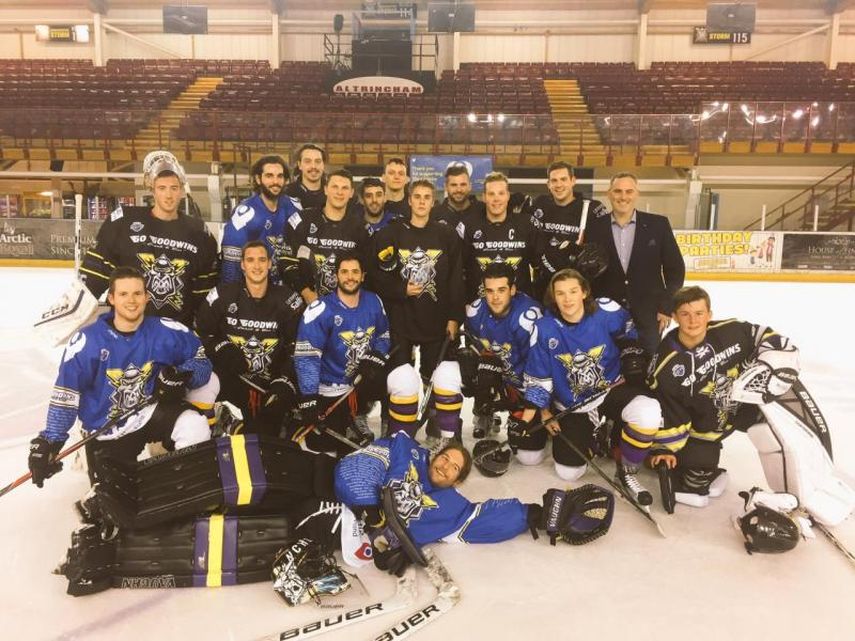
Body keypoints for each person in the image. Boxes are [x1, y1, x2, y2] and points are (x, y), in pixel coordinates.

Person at [28, 267, 216, 486]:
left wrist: (181, 375)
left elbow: (203, 363)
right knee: (115, 498)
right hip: (107, 427)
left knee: (194, 426)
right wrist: (50, 441)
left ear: (147, 297)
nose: (132, 300)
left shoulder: (166, 331)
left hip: (149, 411)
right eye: (123, 294)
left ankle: (182, 490)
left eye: (137, 293)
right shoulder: (87, 342)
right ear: (111, 298)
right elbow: (66, 395)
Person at [516, 269, 661, 504]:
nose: (567, 299)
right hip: (575, 404)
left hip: (612, 388)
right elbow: (538, 378)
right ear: (553, 296)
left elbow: (628, 332)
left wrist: (630, 351)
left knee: (648, 411)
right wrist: (534, 417)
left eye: (573, 291)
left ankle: (627, 470)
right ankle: (596, 437)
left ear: (585, 292)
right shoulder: (544, 328)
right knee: (568, 472)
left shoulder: (605, 312)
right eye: (560, 293)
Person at [647, 286, 799, 507]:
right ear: (674, 317)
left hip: (744, 406)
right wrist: (663, 449)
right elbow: (666, 410)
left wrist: (777, 358)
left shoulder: (732, 331)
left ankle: (793, 486)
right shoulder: (665, 366)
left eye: (699, 313)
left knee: (779, 428)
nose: (693, 321)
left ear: (709, 315)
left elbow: (768, 336)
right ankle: (691, 461)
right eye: (685, 314)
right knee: (696, 485)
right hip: (703, 429)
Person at [371, 180, 466, 444]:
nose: (422, 201)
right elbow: (376, 276)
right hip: (399, 319)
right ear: (409, 201)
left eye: (427, 197)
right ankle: (394, 421)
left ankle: (437, 422)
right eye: (417, 197)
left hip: (436, 319)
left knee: (436, 375)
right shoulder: (391, 234)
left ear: (433, 202)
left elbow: (456, 279)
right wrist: (401, 289)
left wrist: (454, 317)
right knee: (399, 375)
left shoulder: (446, 235)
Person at [79, 150, 219, 327]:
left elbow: (204, 291)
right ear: (151, 189)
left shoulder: (199, 232)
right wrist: (75, 314)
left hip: (175, 333)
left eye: (174, 188)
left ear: (182, 190)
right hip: (129, 330)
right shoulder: (123, 222)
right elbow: (94, 274)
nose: (168, 195)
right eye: (162, 188)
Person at [196, 241, 305, 436]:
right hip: (233, 381)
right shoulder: (222, 295)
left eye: (262, 260)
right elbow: (201, 333)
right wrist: (222, 347)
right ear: (242, 265)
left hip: (268, 386)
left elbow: (297, 347)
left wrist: (285, 380)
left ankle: (238, 424)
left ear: (270, 264)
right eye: (251, 260)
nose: (256, 266)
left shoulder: (288, 299)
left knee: (264, 436)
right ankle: (221, 417)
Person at [293, 253, 391, 457]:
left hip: (360, 382)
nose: (350, 277)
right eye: (344, 272)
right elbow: (307, 358)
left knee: (401, 378)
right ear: (336, 275)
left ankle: (390, 431)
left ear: (363, 276)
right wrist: (309, 399)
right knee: (323, 445)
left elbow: (383, 335)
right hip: (330, 389)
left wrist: (374, 357)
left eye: (355, 272)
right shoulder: (320, 309)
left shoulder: (374, 301)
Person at [585, 172, 685, 354]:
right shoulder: (595, 227)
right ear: (609, 194)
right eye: (618, 191)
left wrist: (666, 306)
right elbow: (588, 273)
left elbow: (676, 271)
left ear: (637, 194)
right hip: (606, 314)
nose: (623, 196)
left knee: (647, 366)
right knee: (609, 364)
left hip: (650, 314)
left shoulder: (658, 225)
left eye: (629, 191)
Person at [462, 262, 542, 440]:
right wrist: (474, 379)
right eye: (489, 291)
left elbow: (541, 369)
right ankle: (483, 410)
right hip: (501, 376)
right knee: (469, 366)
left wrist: (534, 407)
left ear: (512, 290)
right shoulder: (475, 312)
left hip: (527, 384)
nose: (495, 297)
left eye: (501, 290)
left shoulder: (526, 318)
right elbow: (475, 349)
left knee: (529, 455)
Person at [285, 169, 369, 305]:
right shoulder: (303, 220)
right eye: (335, 187)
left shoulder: (360, 228)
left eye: (345, 188)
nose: (339, 192)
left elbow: (366, 272)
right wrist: (306, 293)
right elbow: (285, 261)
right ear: (325, 189)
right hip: (306, 303)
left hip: (345, 306)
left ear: (351, 193)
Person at [527, 161, 608, 301]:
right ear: (548, 185)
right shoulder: (540, 205)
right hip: (545, 286)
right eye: (554, 180)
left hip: (578, 290)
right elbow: (532, 244)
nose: (558, 185)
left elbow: (601, 251)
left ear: (573, 181)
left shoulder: (592, 209)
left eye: (563, 179)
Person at [220, 155, 302, 286]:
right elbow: (231, 264)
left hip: (285, 288)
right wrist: (232, 297)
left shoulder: (292, 206)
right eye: (269, 176)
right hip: (254, 290)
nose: (275, 181)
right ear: (258, 179)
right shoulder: (245, 214)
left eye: (280, 176)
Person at [456, 171, 538, 302]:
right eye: (491, 194)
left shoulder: (526, 224)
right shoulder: (468, 225)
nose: (496, 199)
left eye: (501, 193)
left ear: (508, 196)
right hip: (480, 305)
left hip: (519, 305)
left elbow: (538, 265)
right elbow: (458, 270)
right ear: (484, 197)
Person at [430, 164, 485, 228]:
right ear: (446, 187)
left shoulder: (483, 210)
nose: (459, 190)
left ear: (470, 186)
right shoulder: (433, 214)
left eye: (463, 184)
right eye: (454, 185)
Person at [284, 143, 327, 210]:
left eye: (318, 161)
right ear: (299, 165)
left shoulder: (333, 192)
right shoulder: (287, 193)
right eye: (308, 161)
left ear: (323, 165)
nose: (313, 166)